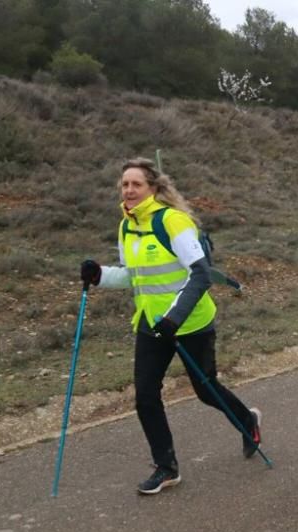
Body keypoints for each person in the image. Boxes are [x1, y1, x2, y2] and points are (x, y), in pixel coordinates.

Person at [79, 158, 262, 495]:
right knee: (145, 396)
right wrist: (100, 276)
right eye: (125, 184)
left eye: (136, 184)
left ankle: (247, 420)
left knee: (206, 390)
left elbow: (200, 275)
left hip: (190, 323)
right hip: (151, 323)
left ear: (153, 188)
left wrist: (174, 317)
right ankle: (166, 467)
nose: (129, 190)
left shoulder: (173, 222)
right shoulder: (127, 226)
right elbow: (133, 275)